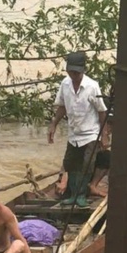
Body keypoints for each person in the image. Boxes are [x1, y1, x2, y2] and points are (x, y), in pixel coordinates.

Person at [47, 51, 109, 207]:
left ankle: (81, 195)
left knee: (86, 164)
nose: (73, 75)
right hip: (74, 133)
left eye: (76, 72)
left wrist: (104, 135)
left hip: (90, 133)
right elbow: (62, 106)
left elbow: (102, 111)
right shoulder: (65, 84)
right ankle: (74, 195)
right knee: (71, 164)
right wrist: (53, 124)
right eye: (71, 71)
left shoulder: (92, 86)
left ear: (83, 70)